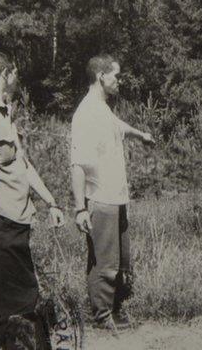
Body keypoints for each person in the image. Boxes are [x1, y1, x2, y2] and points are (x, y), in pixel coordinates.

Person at [0, 51, 65, 349]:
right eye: (16, 73)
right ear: (6, 75)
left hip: (15, 222)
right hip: (1, 222)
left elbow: (23, 164)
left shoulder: (4, 112)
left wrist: (51, 202)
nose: (18, 78)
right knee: (24, 301)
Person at [70, 54, 155, 332]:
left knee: (119, 261)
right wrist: (80, 208)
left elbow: (120, 126)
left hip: (117, 198)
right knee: (104, 264)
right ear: (100, 77)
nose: (119, 81)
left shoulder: (103, 109)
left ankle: (113, 310)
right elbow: (78, 165)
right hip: (101, 199)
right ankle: (102, 317)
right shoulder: (86, 113)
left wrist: (141, 134)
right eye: (115, 76)